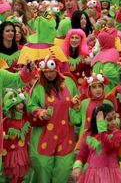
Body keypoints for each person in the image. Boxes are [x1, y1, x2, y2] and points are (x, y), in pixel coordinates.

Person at [28, 55, 80, 183]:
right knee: (43, 165)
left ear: (56, 69)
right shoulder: (39, 86)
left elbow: (77, 101)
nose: (48, 74)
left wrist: (76, 106)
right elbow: (31, 105)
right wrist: (41, 112)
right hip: (45, 134)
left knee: (64, 167)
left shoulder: (68, 82)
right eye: (45, 72)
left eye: (51, 71)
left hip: (65, 133)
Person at [71, 104, 121, 183]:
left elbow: (110, 146)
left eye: (115, 118)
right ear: (97, 120)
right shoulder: (88, 134)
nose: (114, 122)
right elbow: (82, 155)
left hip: (112, 176)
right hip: (93, 176)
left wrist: (101, 128)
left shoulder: (117, 134)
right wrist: (77, 167)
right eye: (109, 119)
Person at [2, 89, 31, 183]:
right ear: (12, 106)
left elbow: (29, 133)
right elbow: (3, 136)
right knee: (13, 172)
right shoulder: (7, 121)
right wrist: (6, 138)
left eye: (22, 103)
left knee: (21, 172)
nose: (21, 105)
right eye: (18, 104)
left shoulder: (25, 119)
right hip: (11, 151)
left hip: (23, 150)